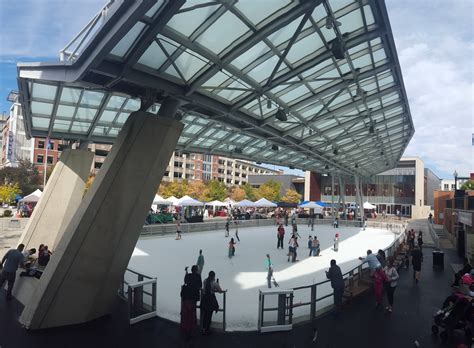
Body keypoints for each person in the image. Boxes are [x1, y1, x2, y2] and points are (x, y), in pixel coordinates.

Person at [201, 271, 226, 335]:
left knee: (205, 315)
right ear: (213, 276)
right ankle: (207, 329)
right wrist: (217, 284)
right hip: (210, 301)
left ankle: (203, 328)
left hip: (204, 300)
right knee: (209, 316)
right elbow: (220, 291)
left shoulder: (205, 281)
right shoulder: (214, 283)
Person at [180, 265, 202, 340]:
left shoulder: (188, 276)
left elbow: (185, 280)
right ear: (196, 270)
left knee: (186, 314)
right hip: (193, 298)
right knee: (191, 314)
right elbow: (200, 285)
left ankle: (185, 327)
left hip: (186, 297)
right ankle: (189, 330)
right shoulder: (198, 276)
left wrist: (186, 272)